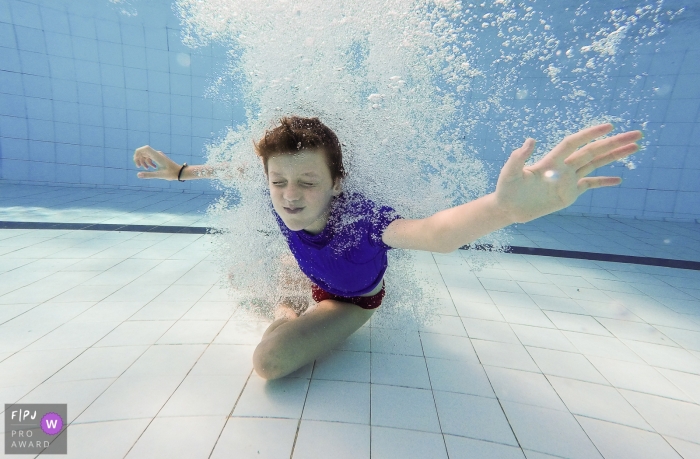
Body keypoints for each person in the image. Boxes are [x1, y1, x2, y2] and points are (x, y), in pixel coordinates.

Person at [133, 116, 642, 379]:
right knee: (254, 282)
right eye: (279, 181)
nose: (290, 195)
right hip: (312, 272)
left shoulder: (362, 216)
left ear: (337, 181)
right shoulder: (276, 185)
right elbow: (238, 170)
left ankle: (290, 307)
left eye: (308, 182)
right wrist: (180, 171)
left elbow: (435, 234)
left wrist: (504, 208)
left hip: (351, 299)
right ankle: (289, 298)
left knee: (269, 362)